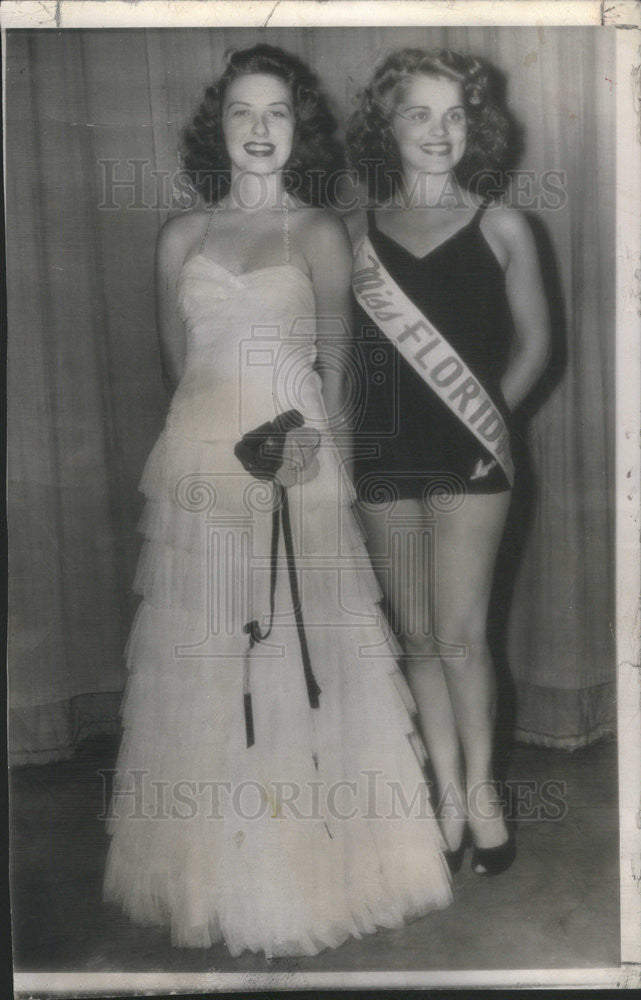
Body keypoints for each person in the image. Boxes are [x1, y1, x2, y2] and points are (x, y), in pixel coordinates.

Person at [103, 44, 452, 959]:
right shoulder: (180, 236)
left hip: (299, 467)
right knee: (209, 663)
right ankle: (216, 873)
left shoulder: (319, 233)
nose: (259, 131)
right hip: (200, 470)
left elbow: (340, 360)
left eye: (278, 114)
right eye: (241, 114)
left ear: (299, 130)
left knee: (305, 663)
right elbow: (180, 369)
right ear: (216, 127)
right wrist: (211, 452)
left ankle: (310, 876)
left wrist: (311, 445)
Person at [345, 48, 551, 876]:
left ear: (477, 126)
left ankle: (483, 798)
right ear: (386, 126)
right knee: (419, 637)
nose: (439, 131)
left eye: (455, 114)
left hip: (473, 454)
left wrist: (485, 426)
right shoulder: (349, 234)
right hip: (382, 450)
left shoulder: (504, 225)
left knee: (464, 637)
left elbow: (538, 346)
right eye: (418, 114)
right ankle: (444, 796)